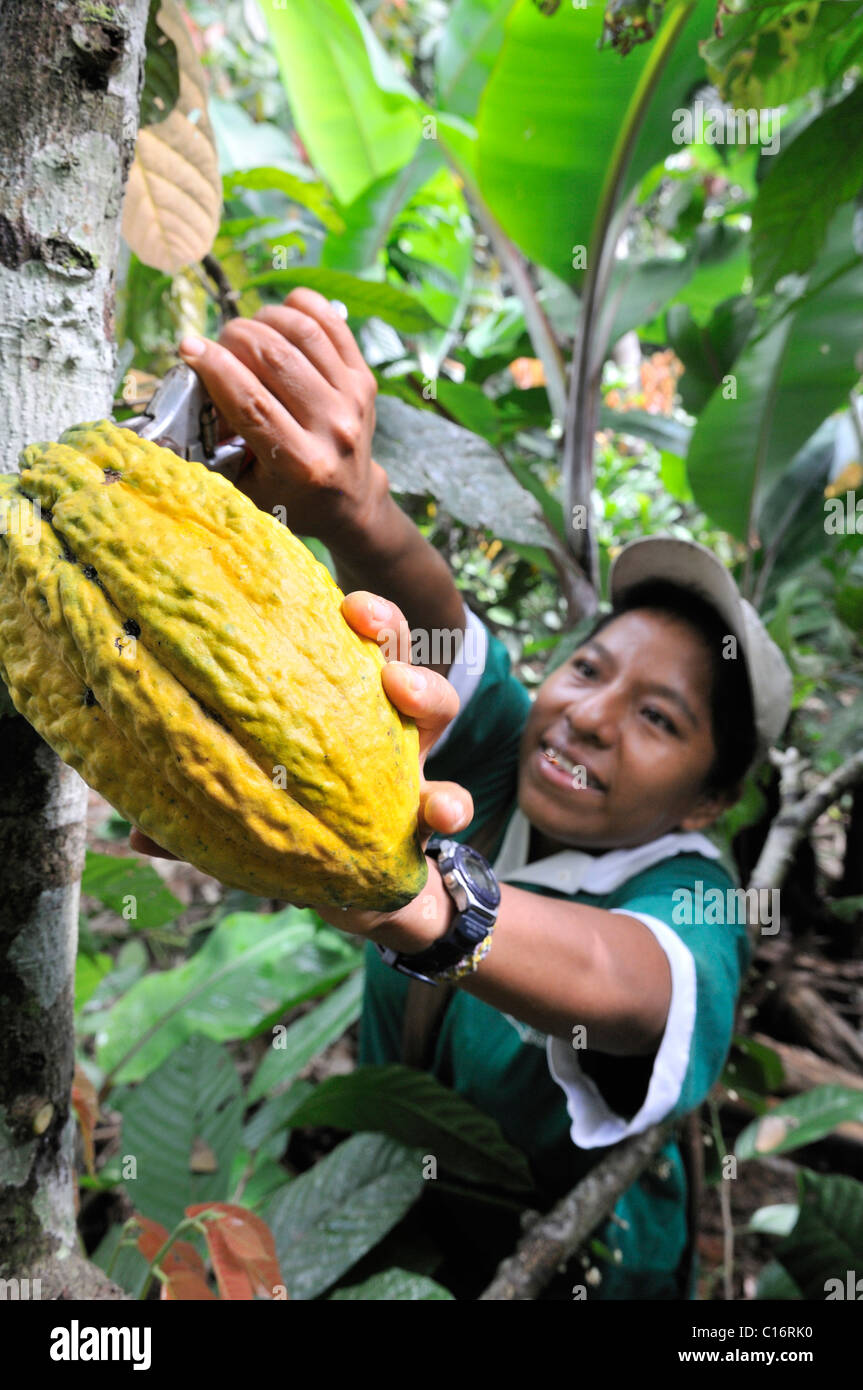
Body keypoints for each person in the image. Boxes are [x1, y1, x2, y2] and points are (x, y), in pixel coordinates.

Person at [130, 289, 793, 1299]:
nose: (588, 716)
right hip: (402, 1207)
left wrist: (404, 895)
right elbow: (428, 610)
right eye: (588, 669)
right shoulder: (507, 751)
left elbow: (626, 982)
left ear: (704, 802)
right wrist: (345, 495)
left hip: (579, 1270)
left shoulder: (688, 902)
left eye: (657, 718)